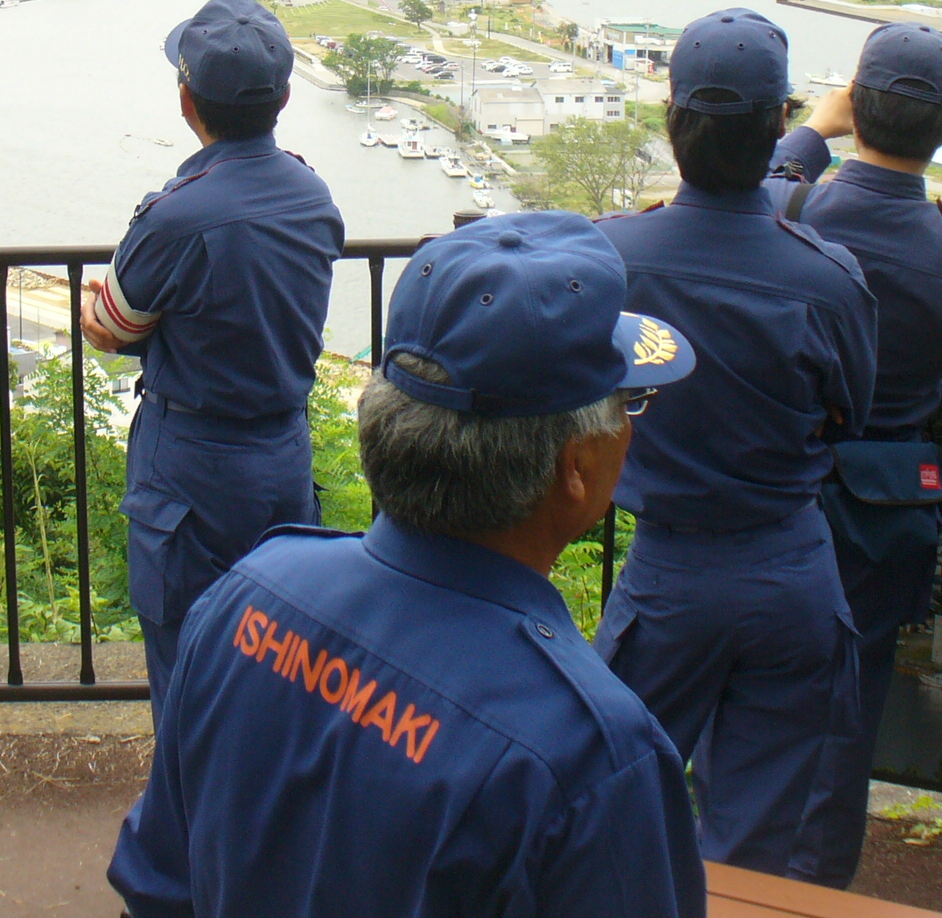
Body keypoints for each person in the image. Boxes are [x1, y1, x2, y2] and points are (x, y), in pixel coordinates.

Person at [109, 212, 706, 917]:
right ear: (574, 466)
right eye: (630, 403)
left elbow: (158, 885)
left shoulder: (245, 598)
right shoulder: (590, 757)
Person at [592, 6, 879, 875]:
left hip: (669, 572)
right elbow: (850, 413)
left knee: (611, 803)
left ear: (672, 122)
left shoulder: (612, 259)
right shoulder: (829, 279)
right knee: (759, 837)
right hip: (791, 567)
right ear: (776, 123)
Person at [772, 23, 942, 887]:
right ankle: (816, 890)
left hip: (782, 492)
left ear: (858, 105)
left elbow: (749, 190)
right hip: (884, 513)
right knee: (847, 719)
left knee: (746, 703)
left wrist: (813, 131)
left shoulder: (795, 215)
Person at [79, 0, 344, 715]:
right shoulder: (313, 196)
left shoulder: (177, 215)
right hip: (283, 452)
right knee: (280, 668)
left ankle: (193, 791)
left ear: (186, 99)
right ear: (283, 98)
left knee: (190, 671)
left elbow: (111, 327)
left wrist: (102, 310)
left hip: (191, 466)